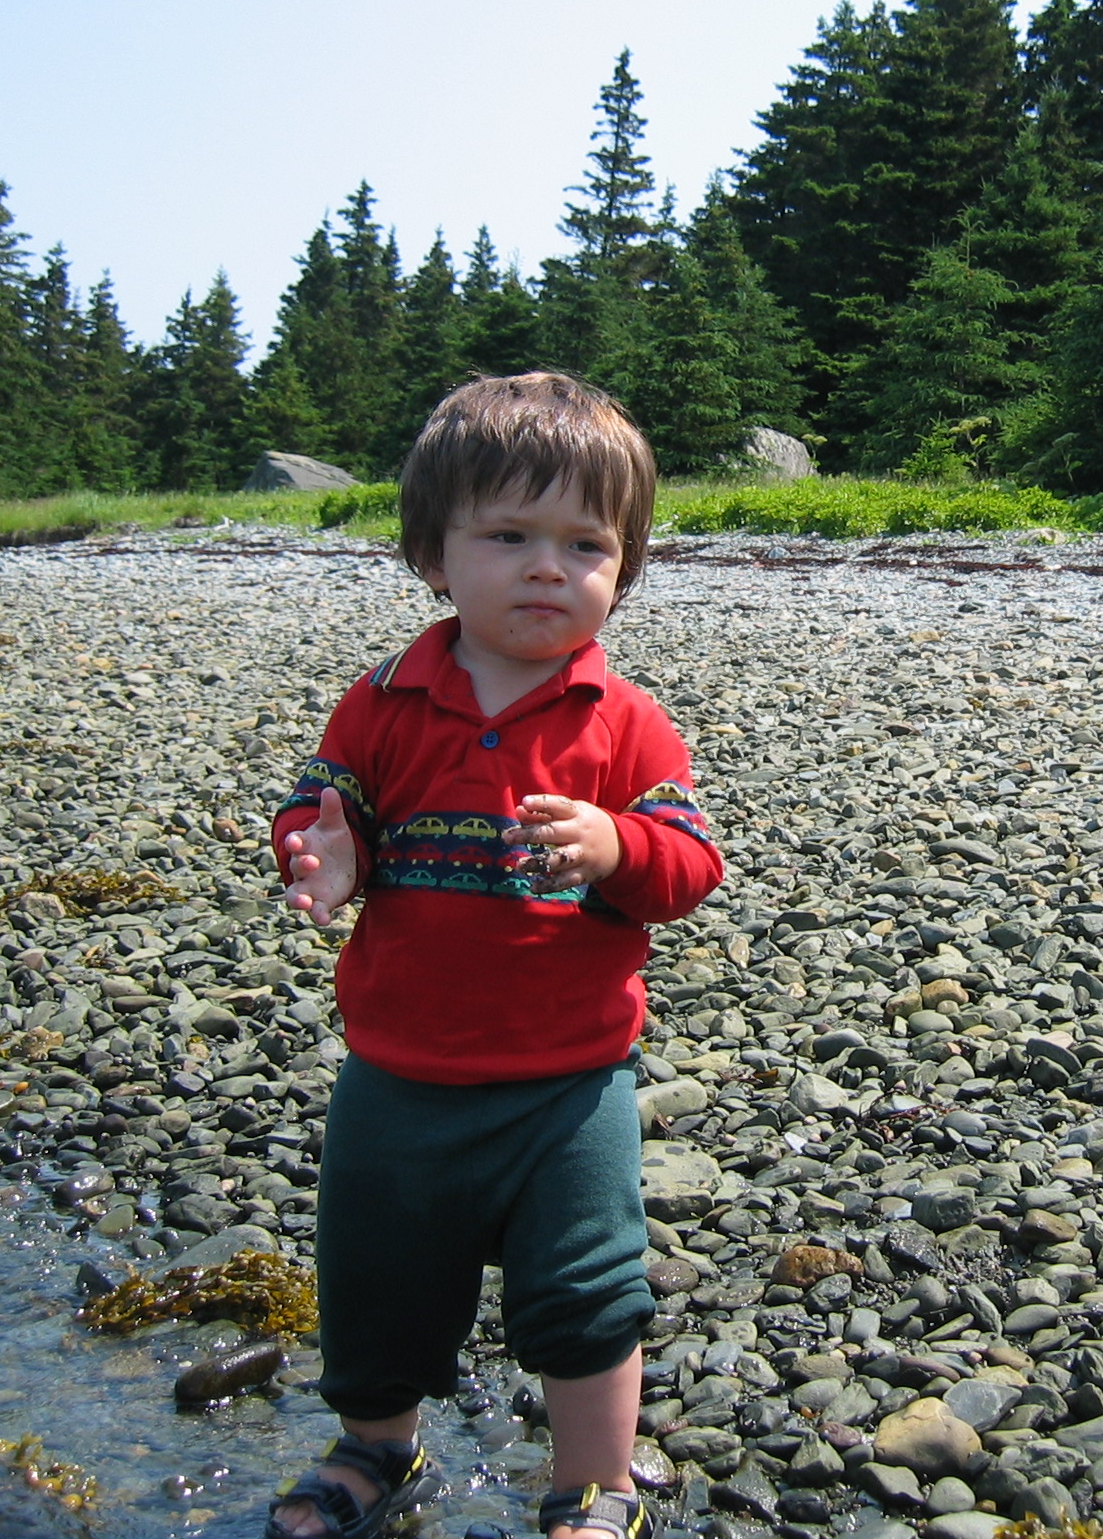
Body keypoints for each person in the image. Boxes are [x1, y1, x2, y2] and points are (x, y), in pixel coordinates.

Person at [261, 373, 723, 1539]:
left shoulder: (626, 722)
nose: (547, 569)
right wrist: (326, 857)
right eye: (510, 536)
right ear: (433, 554)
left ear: (624, 568)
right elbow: (324, 813)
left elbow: (688, 866)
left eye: (585, 545)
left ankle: (596, 1483)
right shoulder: (382, 703)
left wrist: (617, 845)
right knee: (376, 1276)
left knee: (587, 1286)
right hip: (399, 1071)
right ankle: (376, 1447)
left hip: (570, 1081)